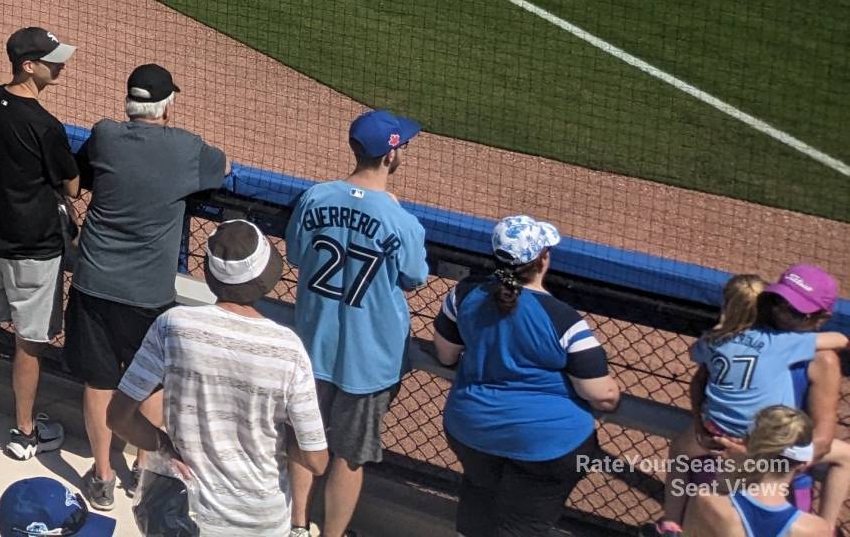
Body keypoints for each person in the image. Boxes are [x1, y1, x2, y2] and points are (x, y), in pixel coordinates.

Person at [68, 63, 230, 510]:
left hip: (94, 281)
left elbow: (79, 175)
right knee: (150, 382)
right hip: (148, 293)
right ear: (167, 106)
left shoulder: (104, 135)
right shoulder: (186, 148)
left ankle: (101, 476)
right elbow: (224, 167)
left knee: (99, 381)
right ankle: (142, 469)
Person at [112, 218, 329, 537]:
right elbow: (317, 460)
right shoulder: (288, 348)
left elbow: (118, 417)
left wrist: (163, 445)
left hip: (185, 514)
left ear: (211, 274)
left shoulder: (173, 326)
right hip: (262, 521)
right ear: (264, 279)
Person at [286, 111, 432, 537]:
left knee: (304, 438)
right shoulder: (401, 221)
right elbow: (415, 277)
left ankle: (297, 527)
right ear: (389, 156)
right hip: (370, 362)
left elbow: (296, 254)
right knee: (349, 455)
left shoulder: (315, 198)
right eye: (401, 146)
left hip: (313, 346)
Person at [431, 215, 620, 537]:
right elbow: (600, 394)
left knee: (479, 503)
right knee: (522, 526)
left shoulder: (463, 295)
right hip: (547, 445)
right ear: (543, 259)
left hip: (472, 432)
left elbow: (446, 354)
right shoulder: (562, 318)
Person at [0, 27, 81, 460]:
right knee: (29, 341)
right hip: (37, 249)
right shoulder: (46, 125)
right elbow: (73, 186)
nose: (59, 65)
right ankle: (24, 432)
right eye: (51, 59)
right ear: (29, 65)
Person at [663, 267, 850, 536]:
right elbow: (700, 381)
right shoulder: (774, 342)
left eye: (797, 311)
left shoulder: (820, 358)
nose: (783, 314)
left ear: (821, 317)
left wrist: (754, 456)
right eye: (777, 302)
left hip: (769, 472)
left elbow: (822, 438)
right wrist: (699, 424)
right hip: (723, 458)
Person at [684, 407, 831, 537]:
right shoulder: (816, 530)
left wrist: (731, 471)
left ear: (749, 447)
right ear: (802, 466)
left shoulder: (707, 500)